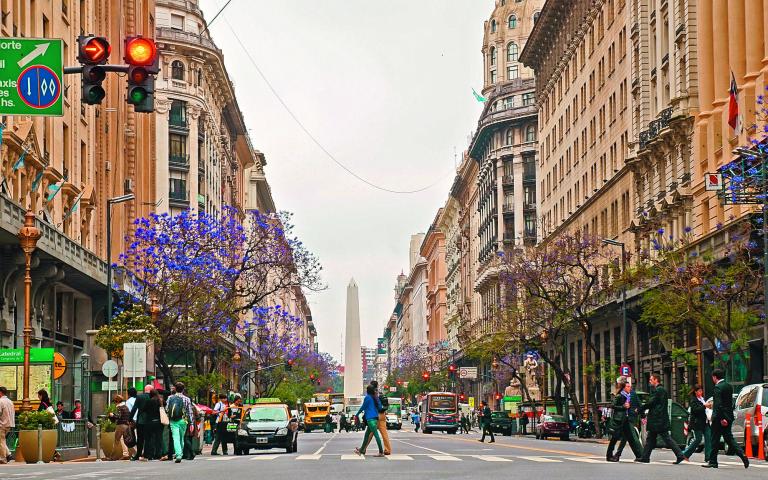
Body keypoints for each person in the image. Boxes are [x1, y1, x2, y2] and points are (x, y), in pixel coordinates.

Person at [704, 369, 749, 469]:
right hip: (729, 416)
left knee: (714, 439)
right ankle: (743, 455)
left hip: (720, 418)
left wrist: (721, 418)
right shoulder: (728, 386)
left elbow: (719, 405)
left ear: (715, 377)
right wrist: (726, 417)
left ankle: (713, 462)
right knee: (729, 438)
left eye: (713, 377)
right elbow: (728, 404)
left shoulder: (717, 388)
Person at [637, 374, 685, 464]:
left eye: (651, 379)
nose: (650, 381)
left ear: (656, 380)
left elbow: (651, 403)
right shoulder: (662, 390)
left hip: (657, 419)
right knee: (651, 438)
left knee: (666, 438)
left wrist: (640, 409)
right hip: (659, 418)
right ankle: (645, 457)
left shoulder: (658, 390)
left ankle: (680, 455)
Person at [606, 381, 642, 462]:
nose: (630, 388)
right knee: (614, 438)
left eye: (630, 386)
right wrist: (623, 406)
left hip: (626, 419)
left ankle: (639, 455)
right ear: (624, 388)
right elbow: (612, 405)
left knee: (631, 437)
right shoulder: (619, 396)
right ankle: (609, 456)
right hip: (619, 420)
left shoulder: (628, 396)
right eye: (628, 386)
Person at [166, 382, 195, 463]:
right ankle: (180, 453)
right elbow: (190, 412)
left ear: (175, 388)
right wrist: (192, 423)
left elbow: (167, 409)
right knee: (181, 438)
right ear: (183, 389)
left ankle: (178, 454)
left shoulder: (170, 398)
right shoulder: (187, 399)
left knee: (176, 437)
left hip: (173, 420)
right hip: (183, 420)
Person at [681, 384, 710, 463]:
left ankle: (708, 457)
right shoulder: (693, 400)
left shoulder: (702, 399)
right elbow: (696, 410)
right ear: (695, 392)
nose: (701, 392)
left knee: (708, 438)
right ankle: (685, 454)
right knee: (698, 439)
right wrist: (704, 406)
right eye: (699, 391)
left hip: (705, 422)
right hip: (697, 423)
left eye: (701, 390)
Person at [362, 381, 391, 455]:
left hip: (374, 416)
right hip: (382, 415)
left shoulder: (371, 395)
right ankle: (387, 450)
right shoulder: (381, 394)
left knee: (370, 434)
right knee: (384, 434)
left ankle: (364, 449)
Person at [354, 385, 384, 457]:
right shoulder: (376, 398)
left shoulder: (367, 397)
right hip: (375, 418)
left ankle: (381, 451)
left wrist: (357, 414)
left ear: (367, 391)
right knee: (366, 435)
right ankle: (362, 450)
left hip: (370, 419)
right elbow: (380, 407)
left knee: (376, 435)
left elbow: (363, 407)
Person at [129, 385, 153, 461]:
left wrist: (130, 419)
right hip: (150, 421)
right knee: (149, 438)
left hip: (140, 421)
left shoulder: (139, 397)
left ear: (145, 389)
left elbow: (134, 408)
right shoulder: (153, 397)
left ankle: (138, 454)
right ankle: (148, 454)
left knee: (140, 439)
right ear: (151, 390)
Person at [109, 394, 135, 460]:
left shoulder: (119, 407)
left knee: (116, 441)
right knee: (127, 440)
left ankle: (113, 457)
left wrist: (112, 415)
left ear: (117, 401)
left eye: (115, 402)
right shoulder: (126, 407)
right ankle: (135, 454)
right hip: (126, 425)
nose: (114, 403)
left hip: (120, 425)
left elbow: (118, 416)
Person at [0, 386, 15, 464]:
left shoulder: (1, 401)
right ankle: (9, 454)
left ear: (0, 393)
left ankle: (3, 458)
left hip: (2, 424)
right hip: (9, 424)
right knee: (2, 440)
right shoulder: (10, 401)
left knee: (1, 441)